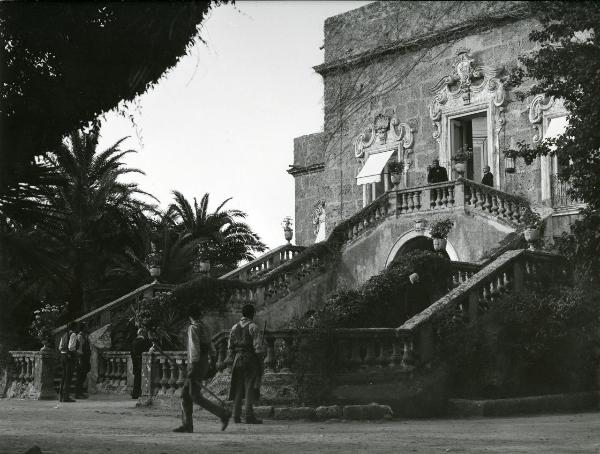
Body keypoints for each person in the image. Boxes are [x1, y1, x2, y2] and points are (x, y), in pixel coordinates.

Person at [173, 305, 231, 433]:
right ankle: (187, 424)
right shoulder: (205, 327)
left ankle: (222, 413)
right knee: (187, 396)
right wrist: (213, 360)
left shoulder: (193, 328)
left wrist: (192, 367)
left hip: (196, 363)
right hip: (204, 362)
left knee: (193, 396)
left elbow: (194, 348)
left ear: (190, 316)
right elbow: (211, 346)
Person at [228, 304, 264, 424]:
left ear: (243, 314)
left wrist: (232, 358)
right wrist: (260, 362)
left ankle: (236, 415)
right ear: (252, 314)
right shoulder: (253, 327)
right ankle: (249, 415)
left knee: (238, 388)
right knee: (249, 387)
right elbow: (258, 348)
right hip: (250, 359)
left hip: (237, 359)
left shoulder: (234, 327)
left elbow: (230, 347)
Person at [58, 321, 78, 402]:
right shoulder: (72, 334)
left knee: (63, 376)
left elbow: (60, 347)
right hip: (69, 356)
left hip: (62, 355)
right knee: (68, 377)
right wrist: (74, 351)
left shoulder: (64, 334)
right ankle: (66, 397)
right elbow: (71, 347)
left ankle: (61, 396)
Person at [130, 328, 151, 399]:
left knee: (137, 378)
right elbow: (148, 349)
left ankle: (135, 394)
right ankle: (139, 393)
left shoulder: (133, 341)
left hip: (135, 362)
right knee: (141, 379)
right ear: (143, 333)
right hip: (141, 362)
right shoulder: (143, 341)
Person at [75, 323, 90, 399]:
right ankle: (78, 393)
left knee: (83, 376)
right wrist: (80, 360)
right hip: (81, 358)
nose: (87, 328)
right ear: (83, 328)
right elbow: (79, 349)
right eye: (86, 327)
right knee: (80, 376)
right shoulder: (80, 336)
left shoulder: (84, 336)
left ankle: (80, 392)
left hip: (85, 358)